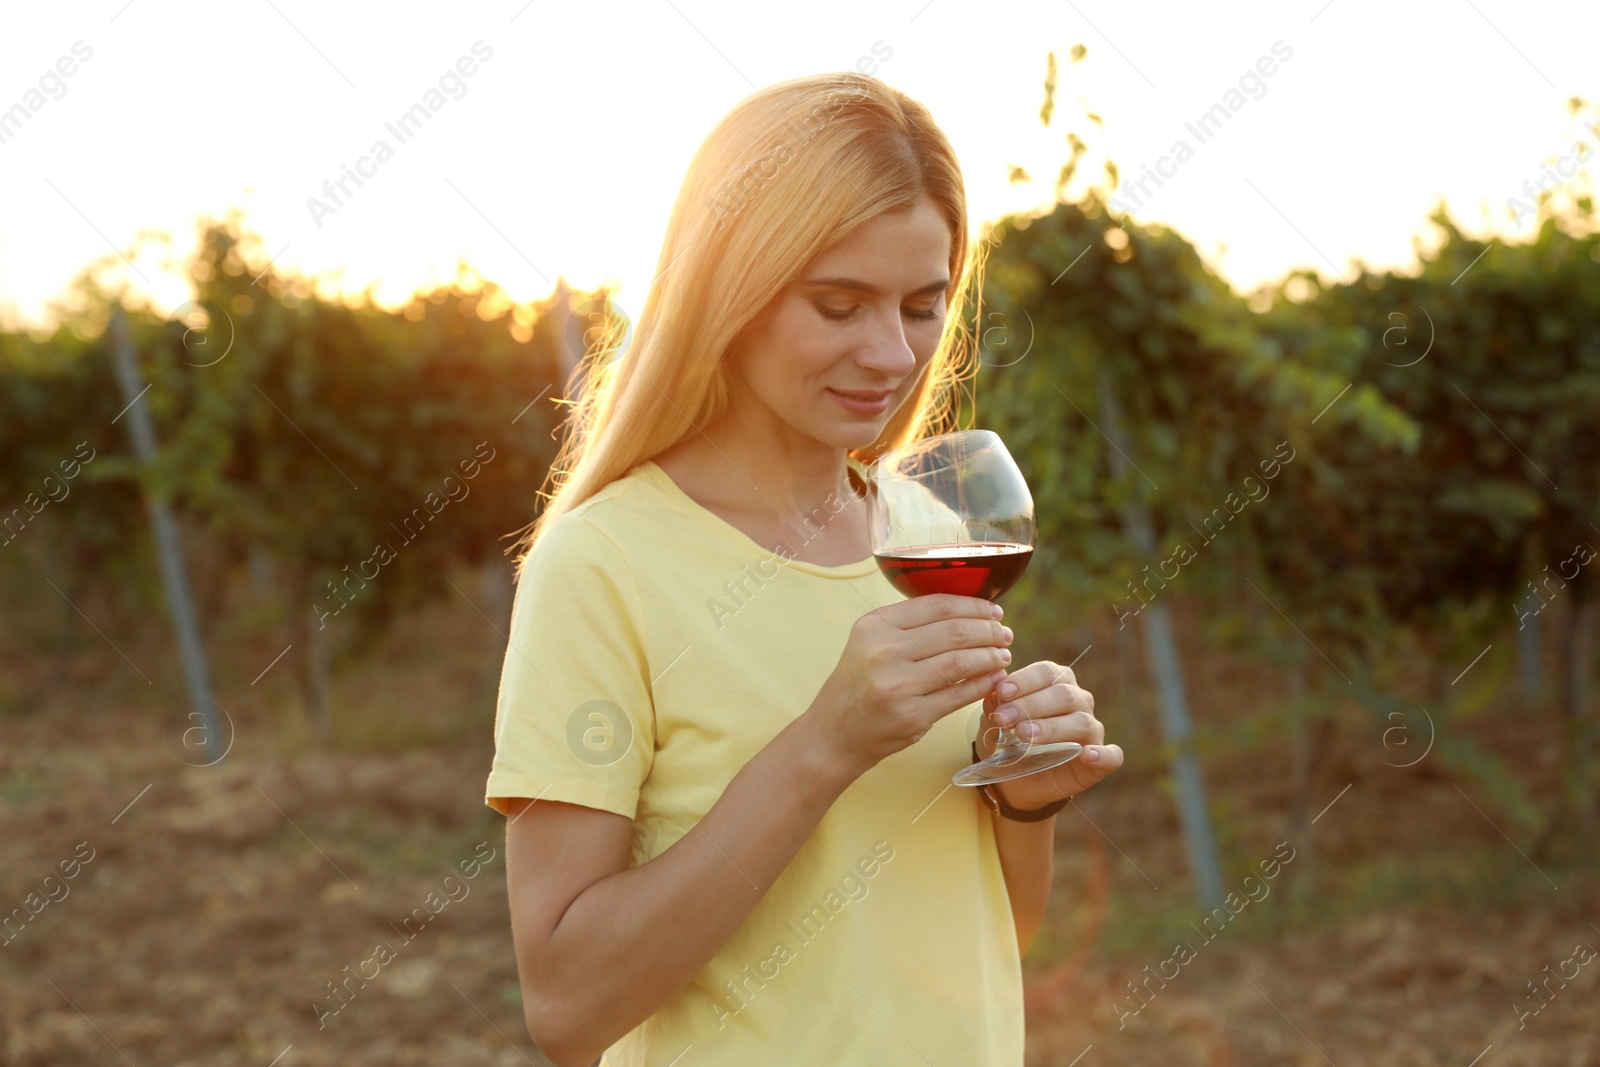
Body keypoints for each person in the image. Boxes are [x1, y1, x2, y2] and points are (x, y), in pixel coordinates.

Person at [484, 70, 1123, 1067]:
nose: (890, 352)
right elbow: (567, 1004)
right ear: (727, 290)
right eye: (837, 303)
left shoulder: (920, 542)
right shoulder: (604, 561)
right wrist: (823, 745)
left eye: (922, 305)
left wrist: (1024, 794)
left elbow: (987, 939)